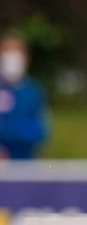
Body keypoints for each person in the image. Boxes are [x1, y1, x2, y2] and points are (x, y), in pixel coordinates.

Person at [0, 33, 49, 161]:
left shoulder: (34, 91)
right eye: (7, 57)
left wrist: (10, 130)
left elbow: (40, 131)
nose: (11, 63)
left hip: (24, 165)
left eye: (16, 57)